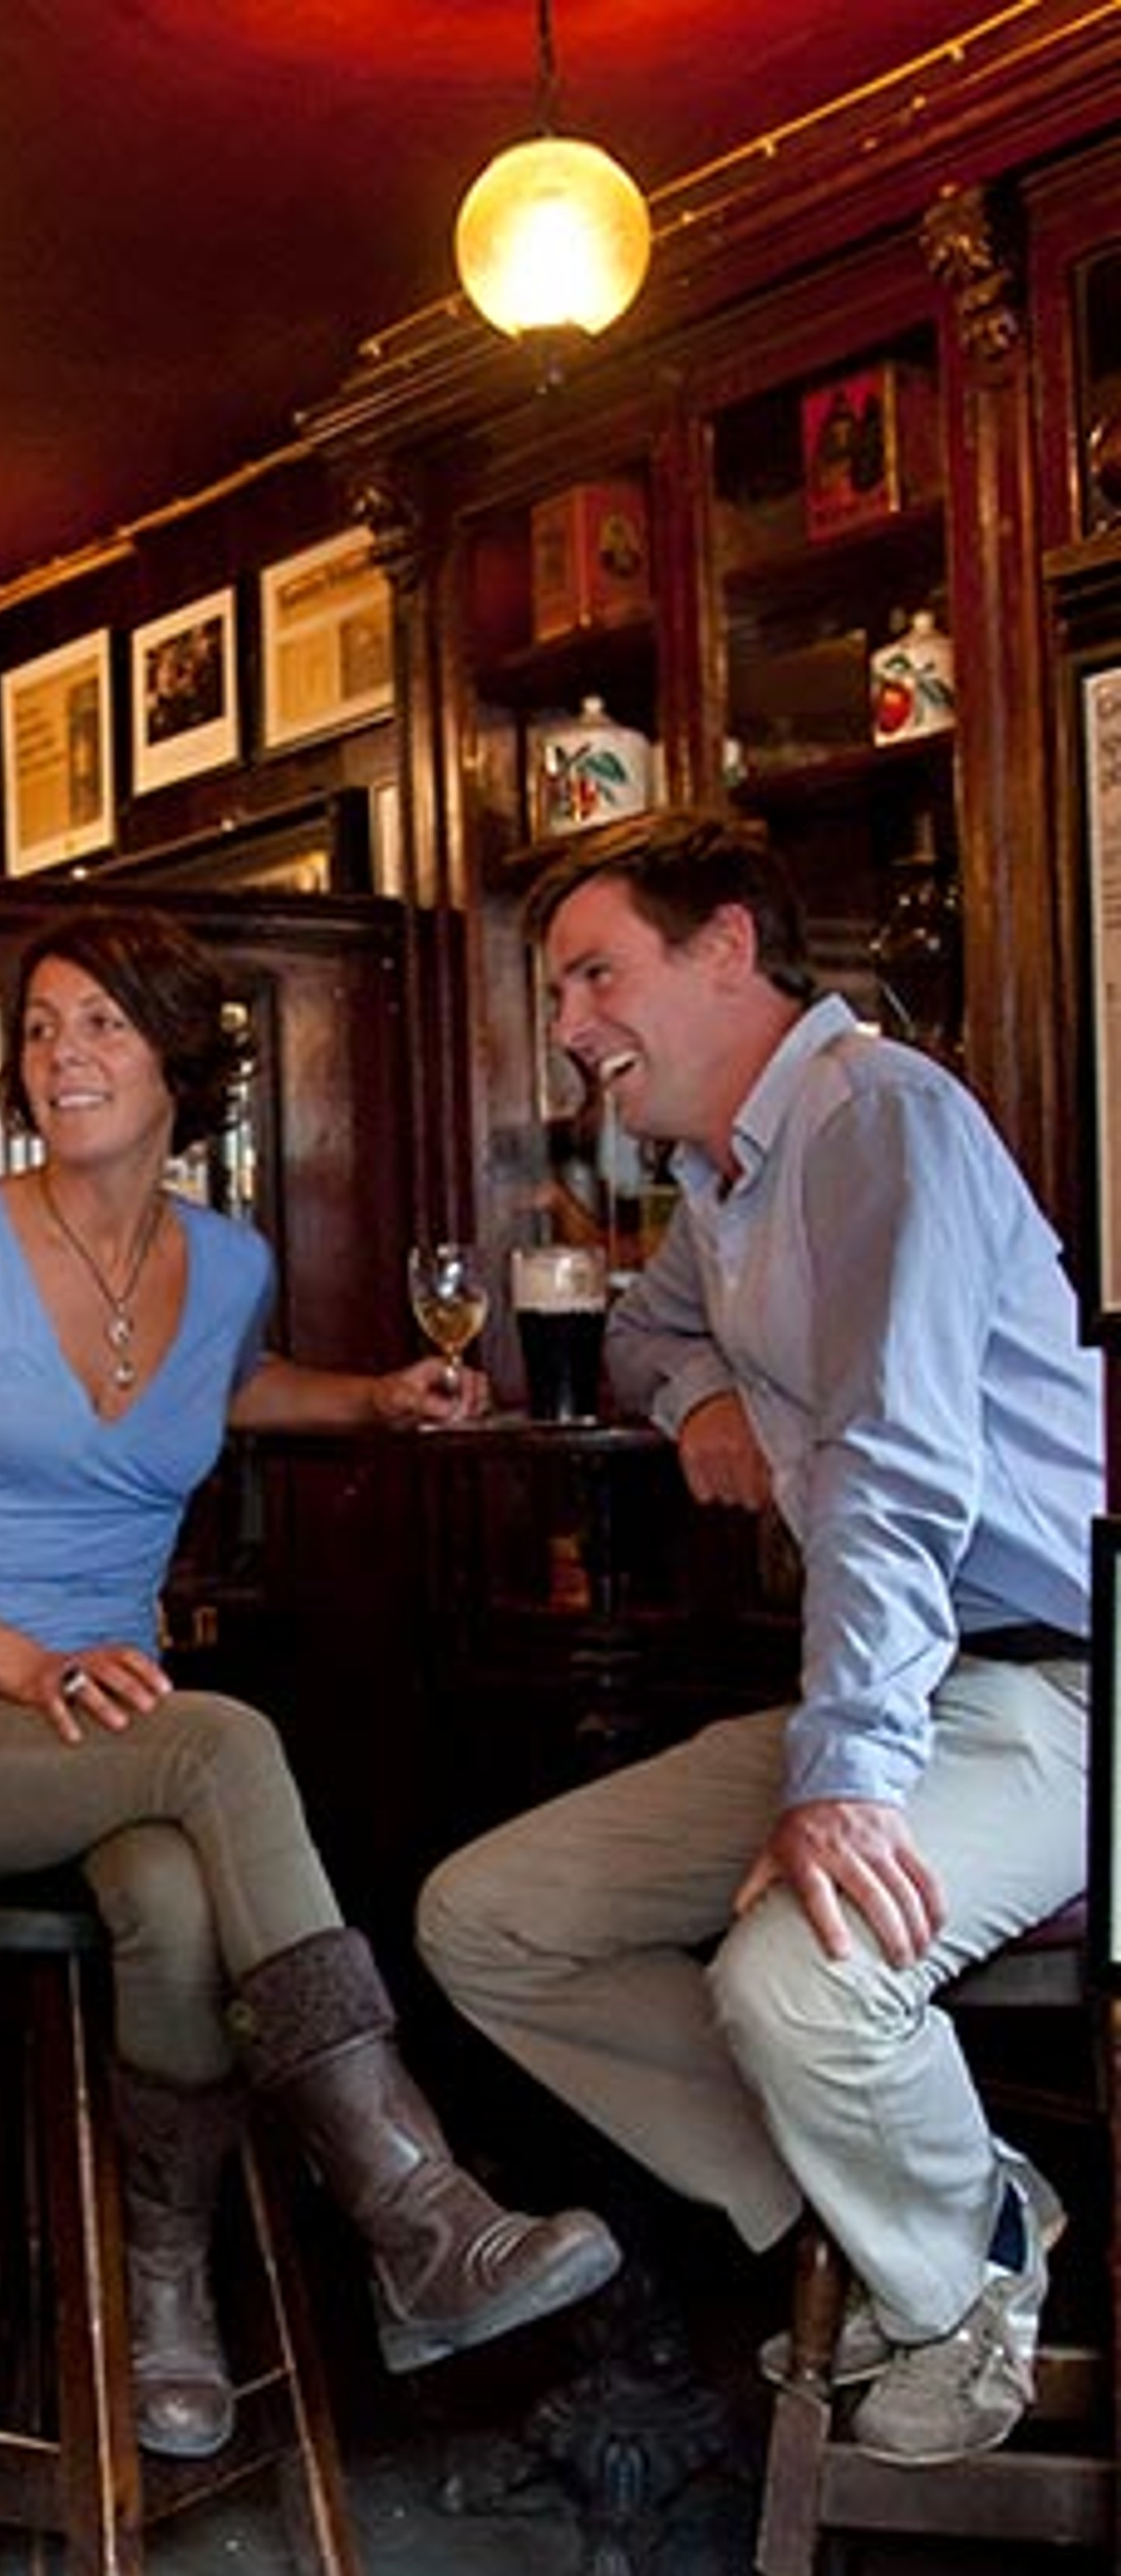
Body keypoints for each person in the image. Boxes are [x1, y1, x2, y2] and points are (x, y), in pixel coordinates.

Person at [0, 907, 617, 2462]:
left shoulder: (223, 1261)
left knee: (177, 1901)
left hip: (103, 1735)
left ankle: (162, 2293)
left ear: (182, 1057)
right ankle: (416, 2210)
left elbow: (222, 1391)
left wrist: (374, 1396)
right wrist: (27, 1665)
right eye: (42, 1028)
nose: (64, 1057)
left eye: (102, 1024)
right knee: (222, 1743)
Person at [416, 812, 1099, 2465]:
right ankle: (923, 2218)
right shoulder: (728, 1173)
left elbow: (895, 1476)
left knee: (795, 1984)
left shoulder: (883, 1123)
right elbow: (642, 1335)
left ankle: (953, 2274)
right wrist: (705, 1383)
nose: (571, 1021)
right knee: (492, 1921)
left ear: (728, 948)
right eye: (561, 985)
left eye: (597, 974)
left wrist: (844, 1781)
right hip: (897, 1684)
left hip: (1067, 1685)